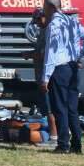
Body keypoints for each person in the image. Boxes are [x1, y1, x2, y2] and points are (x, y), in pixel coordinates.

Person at [40, 0, 84, 154]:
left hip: (60, 69)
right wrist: (79, 56)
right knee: (72, 108)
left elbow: (50, 53)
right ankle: (76, 144)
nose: (43, 10)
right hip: (72, 68)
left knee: (60, 108)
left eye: (44, 6)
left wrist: (45, 78)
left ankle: (63, 144)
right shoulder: (72, 21)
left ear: (50, 7)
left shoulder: (54, 25)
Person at [22, 8, 58, 147]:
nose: (36, 23)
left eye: (38, 20)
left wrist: (29, 55)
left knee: (50, 108)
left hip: (47, 77)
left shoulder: (50, 31)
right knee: (46, 108)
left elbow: (45, 54)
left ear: (45, 16)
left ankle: (54, 138)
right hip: (41, 75)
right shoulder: (43, 31)